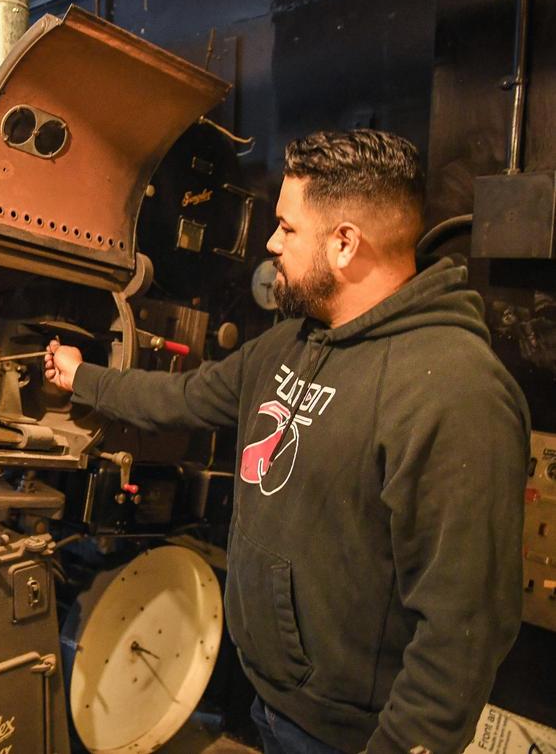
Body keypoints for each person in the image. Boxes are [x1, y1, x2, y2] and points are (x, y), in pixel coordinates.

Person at [44, 129, 530, 754]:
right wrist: (83, 378)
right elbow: (184, 399)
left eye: (287, 228)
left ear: (346, 243)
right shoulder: (290, 344)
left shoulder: (456, 393)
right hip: (271, 702)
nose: (270, 243)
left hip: (353, 736)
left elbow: (463, 632)